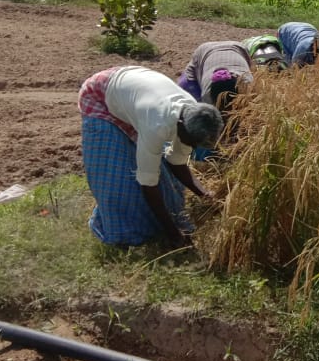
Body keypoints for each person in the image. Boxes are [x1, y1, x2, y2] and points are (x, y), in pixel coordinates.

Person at [78, 66, 223, 248]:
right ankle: (117, 232)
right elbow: (148, 183)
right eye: (193, 142)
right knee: (118, 184)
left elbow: (177, 163)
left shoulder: (191, 115)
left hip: (136, 95)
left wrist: (206, 195)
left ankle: (160, 226)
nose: (193, 147)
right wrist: (173, 233)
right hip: (102, 97)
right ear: (180, 125)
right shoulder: (157, 125)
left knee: (169, 188)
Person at [177, 40, 254, 114]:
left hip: (238, 48)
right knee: (193, 103)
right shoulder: (206, 94)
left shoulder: (247, 87)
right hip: (204, 51)